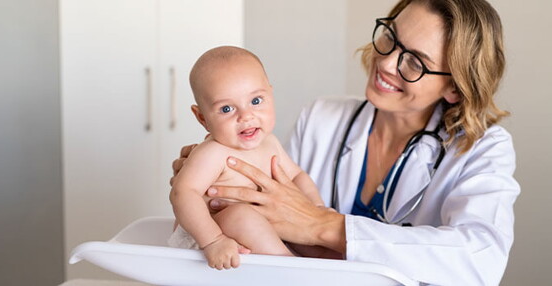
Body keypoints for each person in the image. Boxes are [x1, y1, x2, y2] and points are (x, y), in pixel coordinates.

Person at [172, 0, 521, 285]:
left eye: (414, 62)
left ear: (456, 88)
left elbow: (482, 260)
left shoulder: (483, 148)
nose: (384, 62)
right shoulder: (322, 118)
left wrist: (322, 225)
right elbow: (268, 210)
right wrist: (215, 182)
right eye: (390, 38)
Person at [168, 46, 324, 270]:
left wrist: (317, 209)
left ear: (270, 93)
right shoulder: (213, 152)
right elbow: (182, 193)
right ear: (202, 117)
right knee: (241, 215)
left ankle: (320, 258)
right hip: (207, 237)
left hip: (259, 234)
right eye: (227, 108)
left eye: (256, 101)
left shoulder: (270, 143)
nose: (246, 116)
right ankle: (291, 267)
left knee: (303, 231)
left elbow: (297, 176)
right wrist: (213, 240)